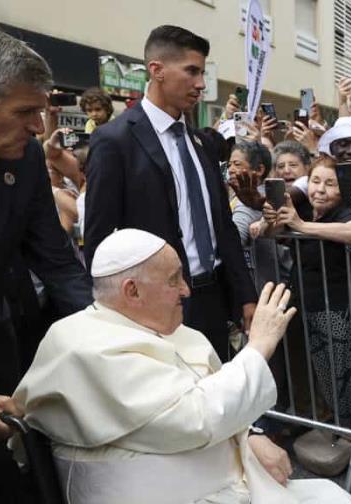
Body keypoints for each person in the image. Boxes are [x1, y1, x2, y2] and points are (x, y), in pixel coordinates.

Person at [14, 228, 351, 504]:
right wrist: (258, 347)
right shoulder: (82, 347)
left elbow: (211, 399)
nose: (186, 290)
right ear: (132, 291)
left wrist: (250, 436)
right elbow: (195, 418)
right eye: (174, 279)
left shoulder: (176, 331)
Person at [0, 20, 92, 502]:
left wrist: (106, 335)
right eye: (26, 111)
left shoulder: (22, 156)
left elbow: (56, 260)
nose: (39, 128)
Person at [84, 25, 257, 362]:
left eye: (202, 72)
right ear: (157, 70)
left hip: (213, 300)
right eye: (191, 71)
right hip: (152, 310)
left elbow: (221, 225)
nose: (201, 83)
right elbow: (99, 241)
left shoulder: (203, 144)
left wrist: (244, 295)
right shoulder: (114, 141)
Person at [260, 155, 351, 479]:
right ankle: (344, 436)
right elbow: (262, 231)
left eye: (329, 183)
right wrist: (274, 218)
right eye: (315, 182)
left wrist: (301, 226)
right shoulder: (304, 211)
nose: (321, 190)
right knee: (330, 381)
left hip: (342, 309)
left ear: (341, 189)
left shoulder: (346, 214)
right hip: (310, 308)